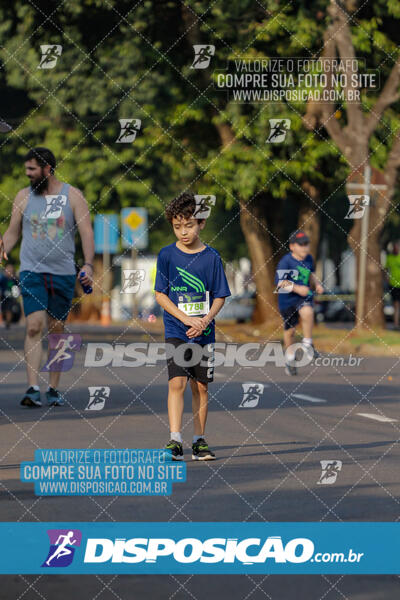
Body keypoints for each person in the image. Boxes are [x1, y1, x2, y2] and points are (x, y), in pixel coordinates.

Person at [2, 147, 94, 407]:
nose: (28, 175)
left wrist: (88, 265)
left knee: (57, 331)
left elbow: (86, 232)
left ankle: (53, 387)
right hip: (32, 270)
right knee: (34, 326)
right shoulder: (23, 196)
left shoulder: (72, 196)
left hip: (63, 272)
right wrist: (2, 251)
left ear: (48, 169)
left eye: (32, 170)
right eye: (27, 170)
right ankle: (32, 387)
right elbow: (12, 233)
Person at [154, 193, 231, 461]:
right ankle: (175, 440)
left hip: (205, 332)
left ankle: (199, 440)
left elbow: (220, 295)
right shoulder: (166, 255)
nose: (183, 232)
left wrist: (205, 321)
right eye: (177, 226)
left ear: (201, 224)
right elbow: (160, 295)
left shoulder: (211, 257)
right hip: (177, 329)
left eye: (188, 225)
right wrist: (186, 320)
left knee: (200, 387)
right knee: (177, 382)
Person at [275, 230, 324, 376]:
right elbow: (280, 283)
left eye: (306, 244)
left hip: (303, 298)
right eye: (301, 244)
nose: (304, 247)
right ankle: (290, 358)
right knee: (290, 332)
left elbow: (312, 274)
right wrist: (297, 288)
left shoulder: (309, 259)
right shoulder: (286, 261)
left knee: (308, 312)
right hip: (287, 299)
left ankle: (308, 343)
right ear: (292, 246)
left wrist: (317, 284)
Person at [0, 263, 21, 328]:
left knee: (9, 309)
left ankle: (8, 322)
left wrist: (17, 293)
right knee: (4, 309)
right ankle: (5, 320)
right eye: (8, 268)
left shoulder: (14, 279)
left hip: (12, 298)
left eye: (11, 268)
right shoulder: (3, 279)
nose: (9, 270)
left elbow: (18, 287)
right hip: (3, 297)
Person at [385, 242, 400, 329]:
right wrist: (387, 278)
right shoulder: (389, 258)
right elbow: (386, 269)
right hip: (394, 285)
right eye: (395, 247)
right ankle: (396, 324)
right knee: (396, 305)